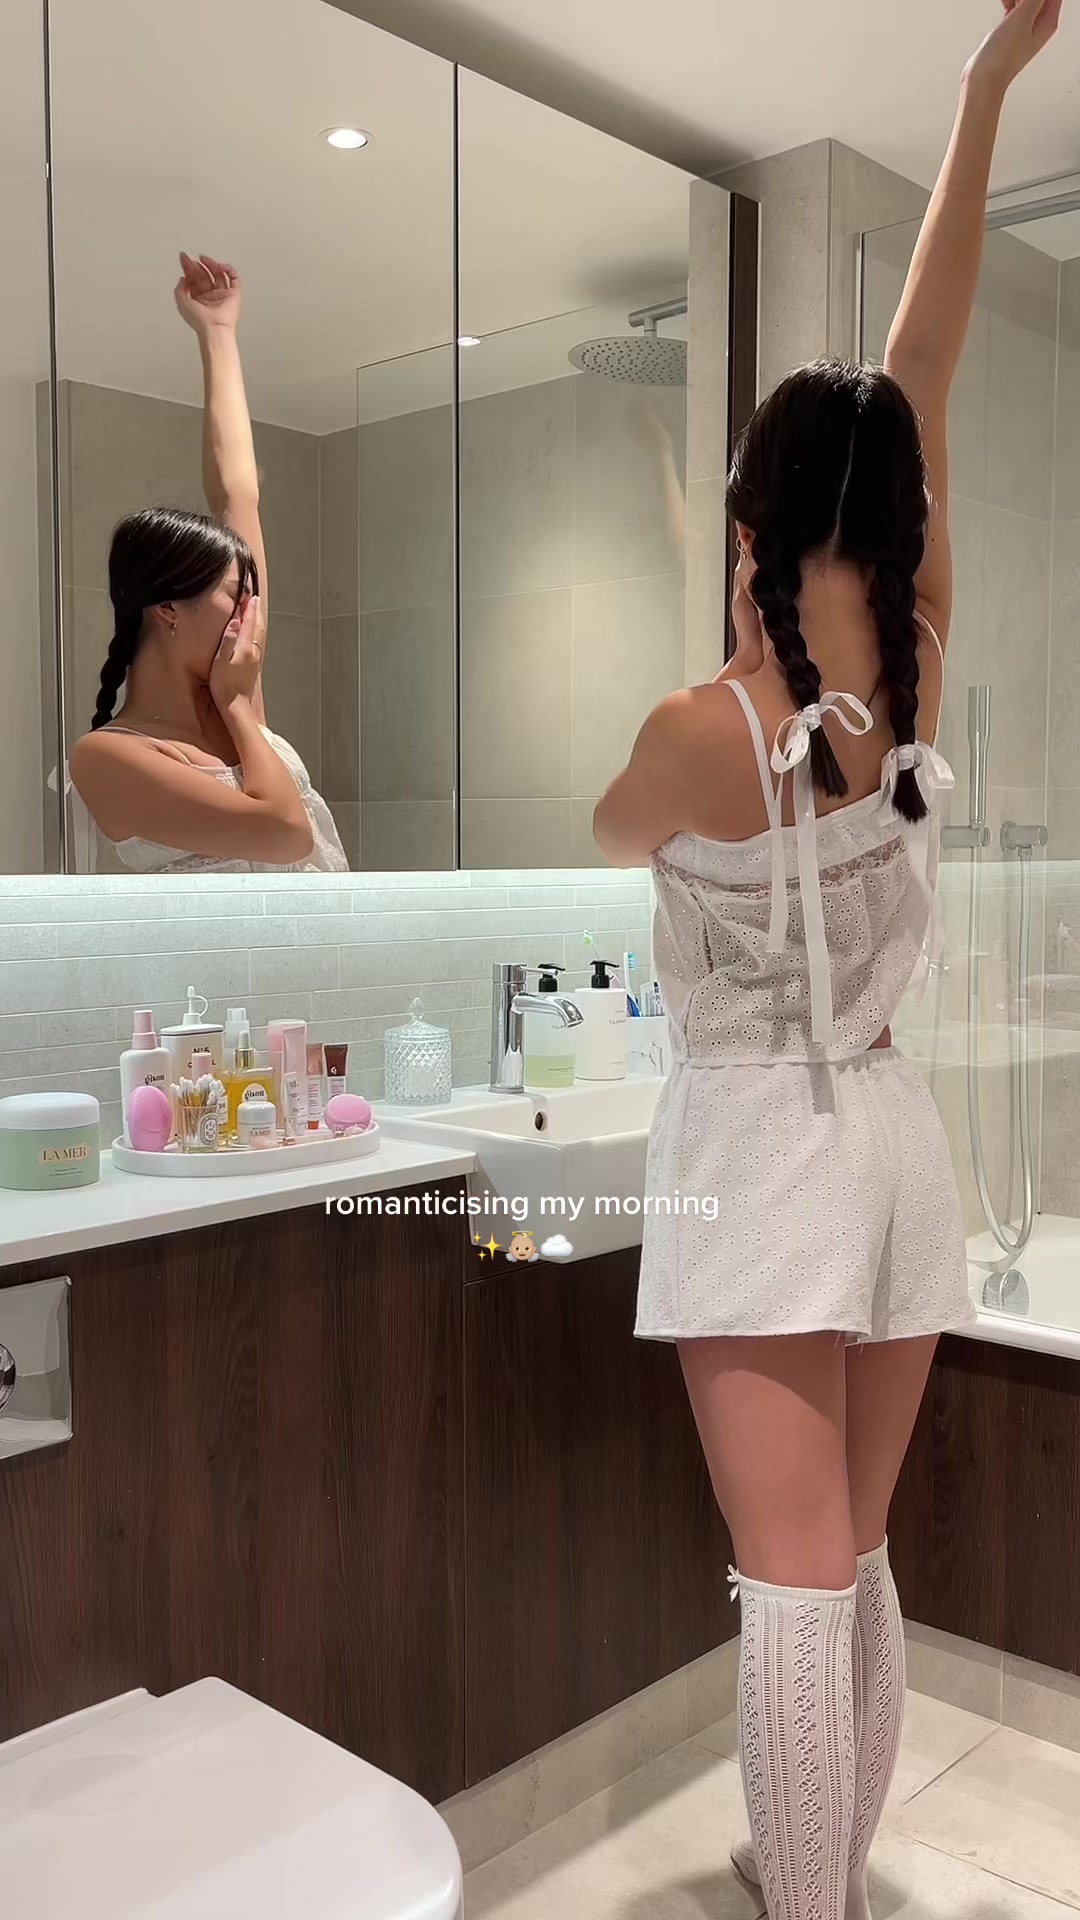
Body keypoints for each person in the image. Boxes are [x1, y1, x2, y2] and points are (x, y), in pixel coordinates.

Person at [593, 5, 1060, 1917]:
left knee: (786, 1597)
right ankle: (828, 1876)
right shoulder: (920, 654)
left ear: (753, 518)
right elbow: (924, 352)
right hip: (890, 1138)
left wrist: (730, 644)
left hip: (761, 1158)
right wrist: (986, 84)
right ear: (896, 516)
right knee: (849, 1565)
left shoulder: (701, 727)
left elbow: (612, 831)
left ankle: (808, 1903)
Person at [69, 253, 348, 874]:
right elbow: (284, 835)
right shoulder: (107, 756)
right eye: (234, 594)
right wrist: (241, 708)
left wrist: (218, 333)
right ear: (168, 608)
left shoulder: (233, 696)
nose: (253, 611)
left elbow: (236, 496)